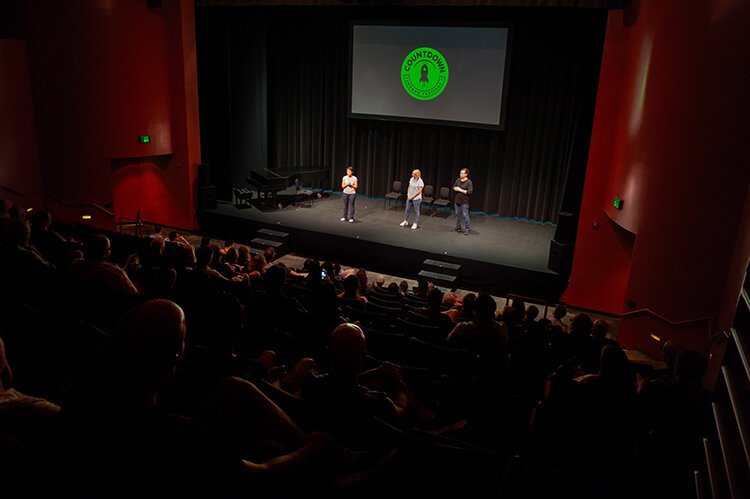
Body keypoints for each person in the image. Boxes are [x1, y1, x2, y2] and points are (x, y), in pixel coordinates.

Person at [453, 167, 473, 234]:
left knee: (465, 215)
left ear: (466, 174)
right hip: (457, 200)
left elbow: (469, 192)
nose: (460, 174)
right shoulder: (458, 180)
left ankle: (467, 229)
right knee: (457, 215)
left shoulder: (469, 182)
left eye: (462, 173)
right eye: (460, 173)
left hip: (464, 202)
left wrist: (460, 189)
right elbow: (454, 186)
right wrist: (455, 188)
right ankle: (458, 227)